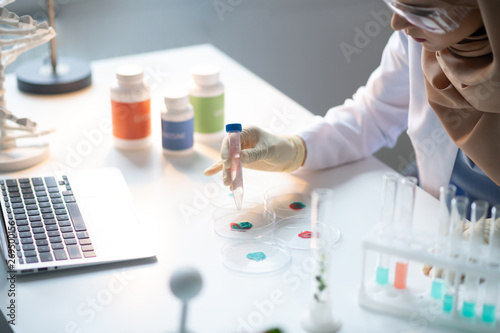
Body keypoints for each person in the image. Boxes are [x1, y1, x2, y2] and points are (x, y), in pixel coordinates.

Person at [204, 0, 500, 209]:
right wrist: (296, 148)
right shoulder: (419, 43)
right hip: (435, 209)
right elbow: (373, 113)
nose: (398, 23)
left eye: (421, 10)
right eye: (396, 4)